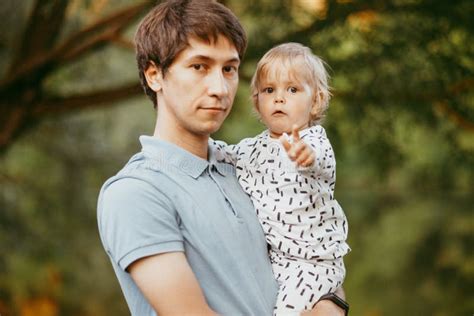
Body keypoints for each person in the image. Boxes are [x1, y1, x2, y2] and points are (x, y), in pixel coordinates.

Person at [97, 1, 348, 315]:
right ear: (154, 75)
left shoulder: (247, 166)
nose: (219, 88)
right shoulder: (135, 192)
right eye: (199, 66)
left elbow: (311, 252)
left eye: (229, 69)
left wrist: (330, 304)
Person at [213, 43, 350, 314]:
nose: (279, 98)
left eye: (292, 89)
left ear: (317, 102)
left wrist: (304, 156)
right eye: (269, 90)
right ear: (257, 102)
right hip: (277, 262)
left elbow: (318, 162)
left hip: (314, 263)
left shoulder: (313, 141)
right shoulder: (251, 147)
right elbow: (221, 152)